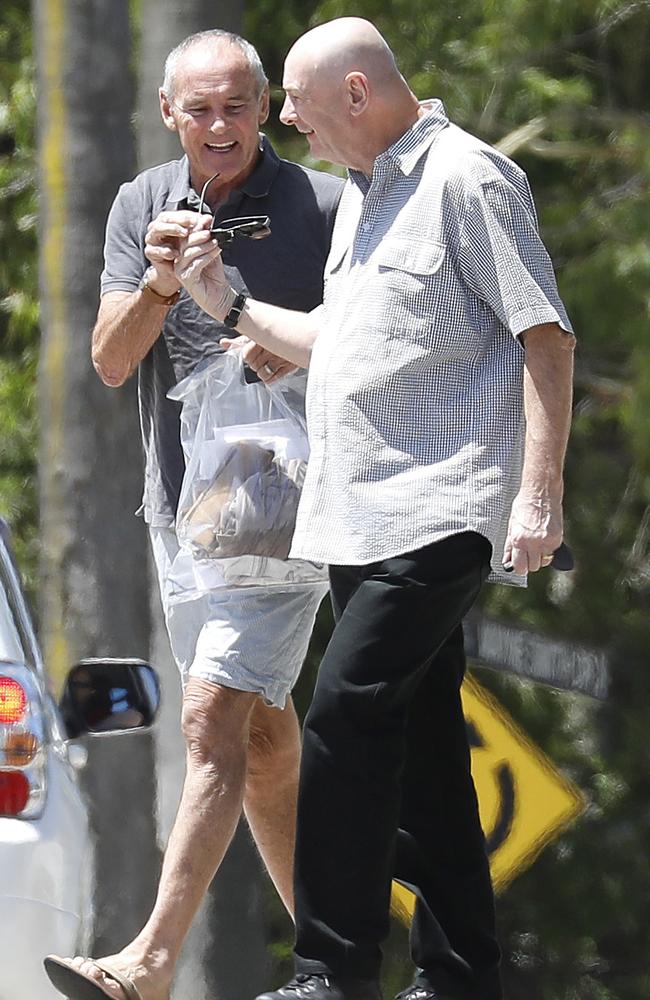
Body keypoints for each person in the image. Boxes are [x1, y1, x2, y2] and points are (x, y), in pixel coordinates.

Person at [169, 16, 576, 1000]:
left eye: (299, 111)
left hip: (439, 512)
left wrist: (537, 490)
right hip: (353, 519)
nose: (295, 131)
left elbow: (544, 335)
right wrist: (221, 299)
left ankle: (329, 970)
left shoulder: (467, 179)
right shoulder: (360, 200)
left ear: (355, 92)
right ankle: (459, 975)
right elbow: (338, 344)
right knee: (427, 748)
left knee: (343, 720)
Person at [44, 28, 342, 1000]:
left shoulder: (324, 204)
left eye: (236, 106)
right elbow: (110, 357)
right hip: (177, 503)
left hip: (277, 490)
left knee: (214, 715)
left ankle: (149, 961)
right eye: (199, 109)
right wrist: (163, 280)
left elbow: (372, 357)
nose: (219, 127)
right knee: (259, 734)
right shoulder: (143, 201)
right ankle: (335, 962)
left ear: (264, 107)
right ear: (171, 115)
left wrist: (249, 324)